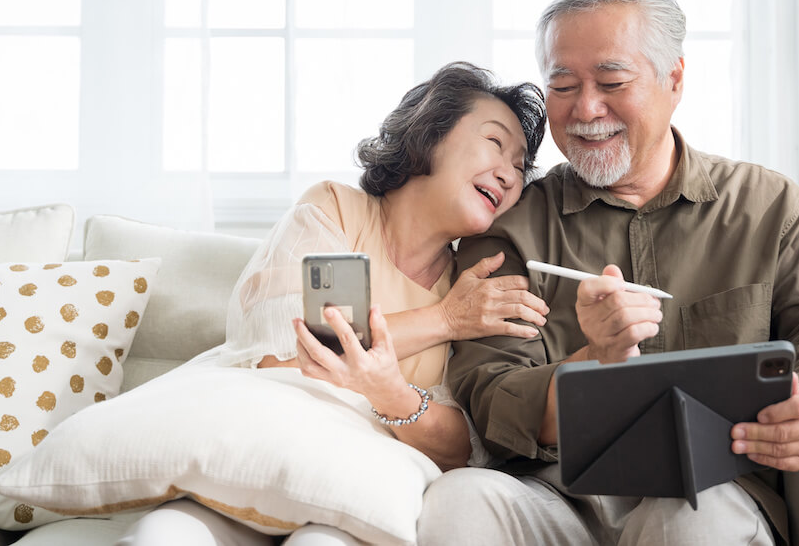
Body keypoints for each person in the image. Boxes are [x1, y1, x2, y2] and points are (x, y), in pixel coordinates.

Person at [416, 0, 799, 546]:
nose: (586, 108)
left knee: (689, 519)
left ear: (674, 79)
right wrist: (594, 362)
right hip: (556, 496)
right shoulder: (511, 228)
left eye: (612, 81)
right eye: (562, 85)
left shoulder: (769, 207)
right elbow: (491, 398)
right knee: (459, 499)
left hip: (712, 491)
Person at [118, 62, 550, 546]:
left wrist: (392, 393)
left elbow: (462, 450)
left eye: (520, 166)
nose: (509, 175)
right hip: (253, 459)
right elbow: (288, 357)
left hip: (354, 495)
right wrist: (444, 320)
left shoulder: (473, 288)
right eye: (494, 142)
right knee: (162, 536)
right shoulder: (337, 211)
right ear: (430, 133)